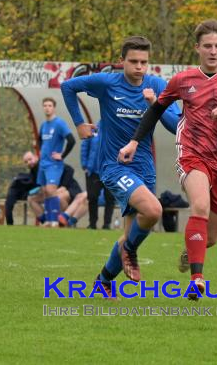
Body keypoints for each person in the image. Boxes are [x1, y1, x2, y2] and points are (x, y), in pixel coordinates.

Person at [118, 20, 217, 300]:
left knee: (211, 238)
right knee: (199, 205)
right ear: (197, 48)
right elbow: (156, 110)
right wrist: (134, 141)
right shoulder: (183, 80)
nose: (213, 51)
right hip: (193, 153)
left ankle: (192, 252)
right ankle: (197, 280)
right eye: (207, 46)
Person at [61, 36, 181, 298]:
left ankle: (103, 281)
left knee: (129, 234)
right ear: (122, 62)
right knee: (153, 210)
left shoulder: (157, 86)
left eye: (144, 62)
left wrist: (155, 105)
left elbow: (176, 126)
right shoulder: (107, 83)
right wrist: (80, 123)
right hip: (115, 166)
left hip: (144, 169)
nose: (139, 67)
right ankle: (130, 252)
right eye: (134, 61)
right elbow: (67, 86)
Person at [37, 97, 76, 227]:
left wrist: (62, 155)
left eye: (49, 105)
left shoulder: (59, 123)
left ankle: (54, 220)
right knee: (45, 191)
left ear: (54, 108)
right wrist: (40, 152)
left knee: (51, 189)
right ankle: (48, 219)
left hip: (54, 164)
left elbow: (71, 140)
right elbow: (39, 140)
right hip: (43, 163)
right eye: (45, 105)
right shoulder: (43, 125)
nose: (47, 108)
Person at [20, 151, 82, 224]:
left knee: (57, 197)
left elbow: (70, 169)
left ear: (36, 157)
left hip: (70, 188)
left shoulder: (46, 163)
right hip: (52, 192)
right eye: (26, 162)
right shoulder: (33, 172)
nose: (29, 162)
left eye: (30, 159)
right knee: (31, 199)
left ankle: (63, 222)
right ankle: (46, 221)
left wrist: (63, 186)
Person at [80, 121, 115, 229]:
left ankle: (107, 224)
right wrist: (85, 165)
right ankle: (92, 223)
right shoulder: (93, 128)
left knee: (110, 197)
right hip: (93, 171)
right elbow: (84, 147)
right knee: (92, 197)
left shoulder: (115, 128)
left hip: (110, 171)